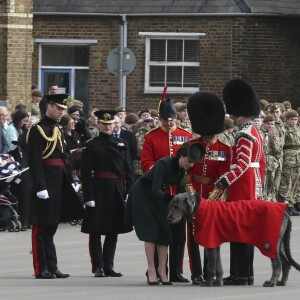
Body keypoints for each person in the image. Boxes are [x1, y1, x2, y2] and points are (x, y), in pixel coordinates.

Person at [211, 78, 266, 286]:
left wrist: (224, 182)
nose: (231, 117)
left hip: (242, 187)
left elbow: (242, 164)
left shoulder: (244, 133)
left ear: (240, 112)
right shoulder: (254, 131)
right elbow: (260, 164)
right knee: (244, 231)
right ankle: (244, 274)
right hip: (251, 184)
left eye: (233, 113)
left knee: (239, 230)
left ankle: (240, 274)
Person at [126, 142, 205, 285]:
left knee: (164, 233)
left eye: (194, 163)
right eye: (190, 161)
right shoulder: (164, 163)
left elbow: (179, 189)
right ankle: (151, 271)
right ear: (182, 155)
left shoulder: (184, 169)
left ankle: (162, 271)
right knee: (150, 233)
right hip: (143, 195)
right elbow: (155, 189)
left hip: (161, 198)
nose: (191, 165)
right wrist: (175, 201)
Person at [27, 94, 84, 279]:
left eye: (63, 109)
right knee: (41, 228)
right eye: (58, 108)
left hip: (58, 182)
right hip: (44, 183)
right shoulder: (37, 130)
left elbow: (65, 157)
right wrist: (40, 186)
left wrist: (70, 179)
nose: (61, 112)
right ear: (49, 106)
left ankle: (52, 266)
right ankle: (40, 268)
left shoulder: (58, 129)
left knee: (51, 227)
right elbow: (35, 161)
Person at [141, 98, 193, 283]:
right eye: (165, 120)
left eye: (171, 119)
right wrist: (160, 173)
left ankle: (176, 271)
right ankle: (154, 270)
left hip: (178, 189)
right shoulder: (151, 136)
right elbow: (146, 163)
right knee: (159, 232)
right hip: (160, 189)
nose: (169, 123)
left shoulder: (185, 135)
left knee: (179, 233)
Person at [80, 110, 134, 278]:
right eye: (104, 124)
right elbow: (86, 173)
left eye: (110, 124)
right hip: (98, 189)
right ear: (98, 125)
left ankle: (109, 265)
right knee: (95, 229)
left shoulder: (121, 143)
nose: (108, 126)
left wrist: (128, 192)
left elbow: (128, 171)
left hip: (116, 188)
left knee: (113, 230)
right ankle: (98, 266)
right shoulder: (91, 145)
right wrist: (88, 196)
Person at [187, 92, 232, 285]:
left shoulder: (224, 149)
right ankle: (196, 272)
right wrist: (191, 194)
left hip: (213, 197)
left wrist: (213, 198)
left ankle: (210, 271)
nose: (207, 135)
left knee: (211, 235)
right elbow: (186, 173)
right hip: (194, 193)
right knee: (193, 236)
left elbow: (223, 177)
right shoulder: (192, 145)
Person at [278, 110, 300, 215]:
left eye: (296, 119)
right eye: (292, 119)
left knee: (295, 182)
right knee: (286, 183)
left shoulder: (298, 129)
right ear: (287, 120)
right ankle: (284, 205)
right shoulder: (284, 129)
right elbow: (281, 145)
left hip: (297, 159)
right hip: (288, 159)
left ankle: (291, 204)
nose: (294, 121)